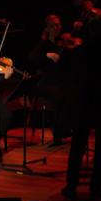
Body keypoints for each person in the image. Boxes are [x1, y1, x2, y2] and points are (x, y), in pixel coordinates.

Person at [62, 15, 101, 201]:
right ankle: (95, 187)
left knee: (78, 145)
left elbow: (74, 78)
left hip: (85, 102)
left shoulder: (80, 51)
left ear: (89, 31)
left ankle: (71, 186)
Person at [27, 15, 75, 145]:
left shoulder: (65, 42)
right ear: (47, 29)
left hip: (63, 81)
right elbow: (31, 57)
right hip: (47, 81)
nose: (56, 28)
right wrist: (47, 55)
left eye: (58, 25)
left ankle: (58, 126)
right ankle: (60, 131)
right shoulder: (43, 45)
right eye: (52, 26)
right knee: (58, 96)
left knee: (72, 97)